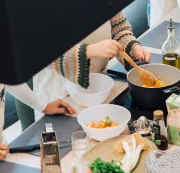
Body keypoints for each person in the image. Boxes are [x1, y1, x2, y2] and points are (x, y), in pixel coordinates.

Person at [8, 11, 150, 130]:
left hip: (98, 91)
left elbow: (119, 28)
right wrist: (88, 51)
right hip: (59, 98)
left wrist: (132, 48)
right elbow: (38, 52)